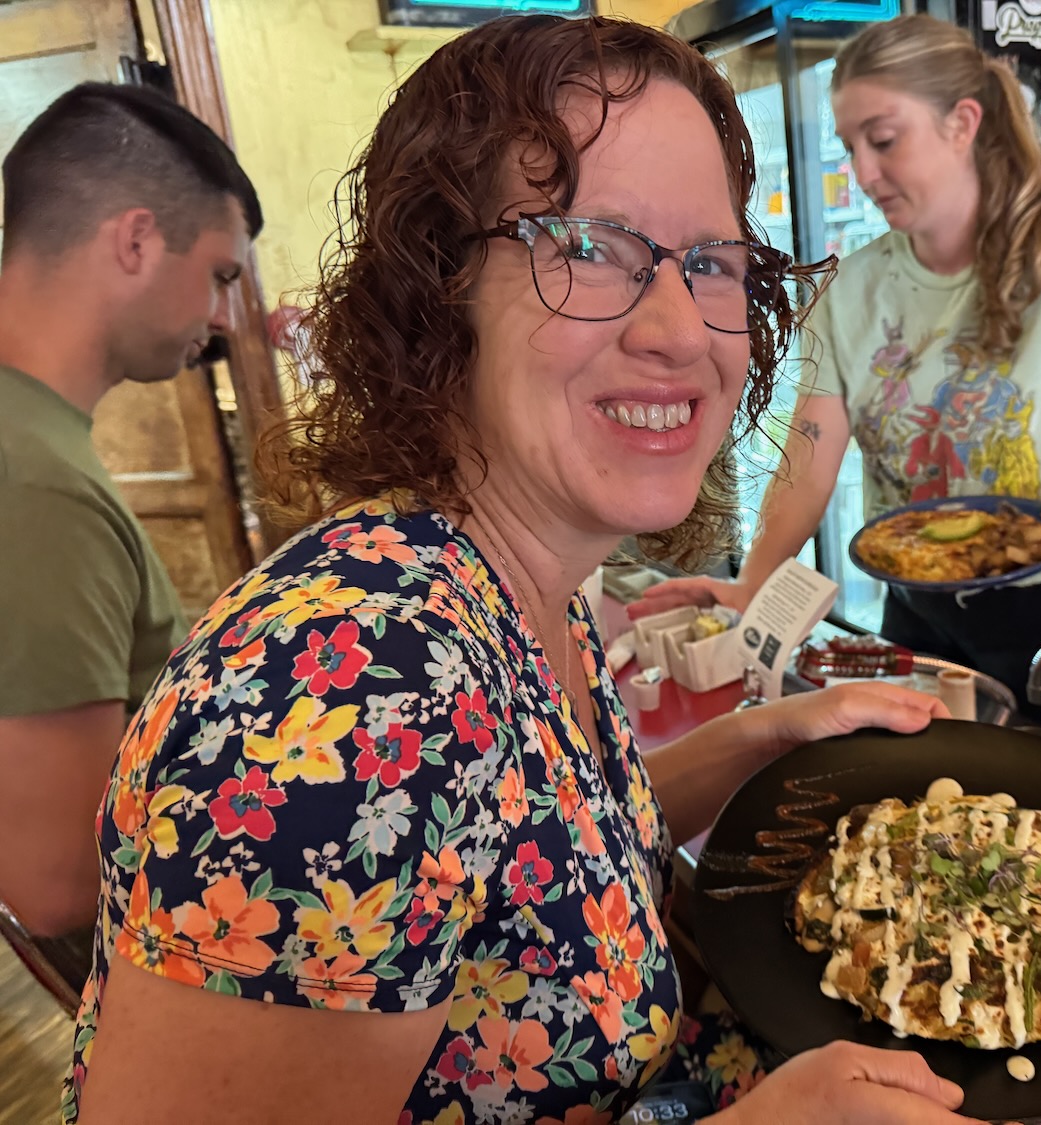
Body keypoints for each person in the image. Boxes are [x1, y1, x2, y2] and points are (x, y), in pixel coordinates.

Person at [65, 16, 980, 1125]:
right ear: (435, 290)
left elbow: (544, 855)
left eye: (710, 262)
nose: (679, 329)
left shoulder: (505, 585)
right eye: (587, 247)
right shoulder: (343, 690)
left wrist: (765, 735)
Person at [634, 14, 1041, 755]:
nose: (864, 173)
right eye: (850, 147)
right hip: (918, 606)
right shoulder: (854, 287)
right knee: (929, 798)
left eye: (884, 139)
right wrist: (756, 585)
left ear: (962, 123)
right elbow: (810, 456)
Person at [0, 82, 261, 988]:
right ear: (138, 240)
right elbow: (55, 883)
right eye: (221, 275)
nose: (224, 318)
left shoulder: (34, 439)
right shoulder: (32, 479)